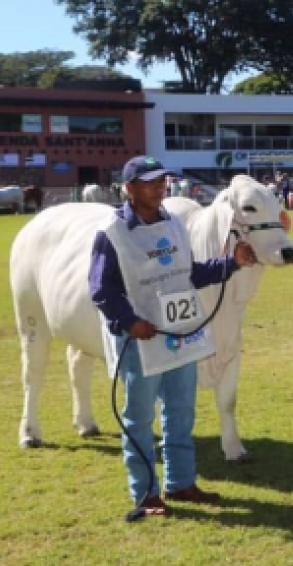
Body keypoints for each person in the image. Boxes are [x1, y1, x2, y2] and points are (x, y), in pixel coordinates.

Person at [90, 156, 257, 518]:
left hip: (180, 334)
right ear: (129, 188)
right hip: (140, 341)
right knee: (138, 418)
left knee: (181, 412)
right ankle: (146, 494)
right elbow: (102, 290)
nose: (159, 186)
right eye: (149, 181)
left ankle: (181, 483)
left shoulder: (173, 225)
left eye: (162, 180)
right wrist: (129, 322)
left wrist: (232, 263)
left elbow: (190, 274)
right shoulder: (112, 233)